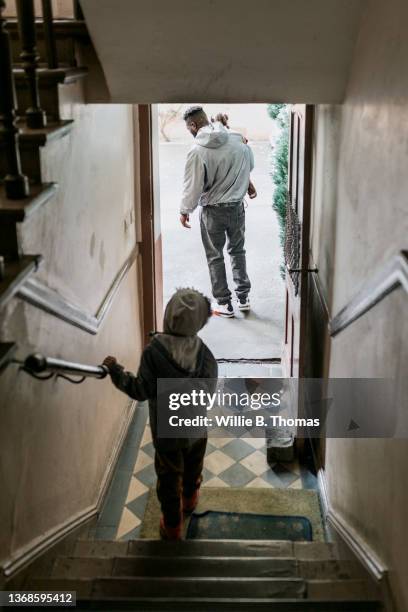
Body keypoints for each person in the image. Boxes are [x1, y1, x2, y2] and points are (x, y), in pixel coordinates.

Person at [103, 288, 217, 540]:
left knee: (168, 477)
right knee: (193, 466)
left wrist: (116, 372)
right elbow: (209, 393)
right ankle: (190, 499)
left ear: (168, 316)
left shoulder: (154, 352)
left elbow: (140, 390)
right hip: (196, 429)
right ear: (199, 323)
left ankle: (173, 525)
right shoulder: (204, 352)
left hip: (167, 433)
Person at [180, 106, 256, 318]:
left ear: (193, 125)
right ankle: (243, 298)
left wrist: (185, 210)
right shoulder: (237, 139)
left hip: (212, 212)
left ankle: (224, 304)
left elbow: (192, 185)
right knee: (238, 251)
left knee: (215, 256)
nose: (190, 132)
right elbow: (249, 165)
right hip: (237, 208)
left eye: (189, 128)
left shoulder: (197, 150)